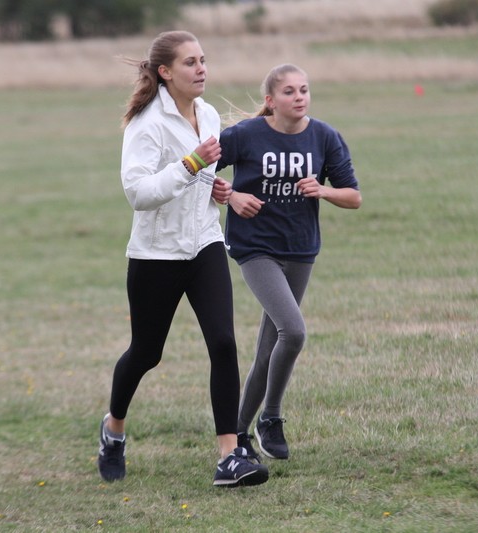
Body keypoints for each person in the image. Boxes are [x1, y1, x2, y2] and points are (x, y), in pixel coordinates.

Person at [97, 30, 268, 487]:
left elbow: (199, 180)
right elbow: (138, 193)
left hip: (205, 243)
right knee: (146, 353)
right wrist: (191, 164)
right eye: (190, 62)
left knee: (224, 343)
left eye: (203, 60)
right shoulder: (147, 123)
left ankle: (229, 457)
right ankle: (113, 428)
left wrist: (218, 189)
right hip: (156, 254)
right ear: (165, 72)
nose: (201, 69)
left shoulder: (207, 114)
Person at [214, 64, 361, 461]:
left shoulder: (325, 136)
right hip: (254, 247)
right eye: (289, 92)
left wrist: (324, 192)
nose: (299, 97)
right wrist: (231, 196)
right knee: (293, 332)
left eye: (304, 90)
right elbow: (197, 171)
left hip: (300, 249)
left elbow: (353, 196)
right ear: (271, 100)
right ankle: (271, 418)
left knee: (270, 346)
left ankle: (239, 433)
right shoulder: (245, 135)